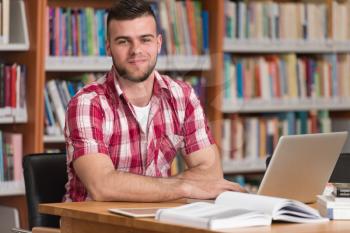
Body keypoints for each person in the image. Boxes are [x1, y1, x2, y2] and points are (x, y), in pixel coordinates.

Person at [64, 0, 244, 202]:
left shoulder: (182, 96)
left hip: (156, 220)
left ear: (159, 43)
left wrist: (147, 187)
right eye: (123, 41)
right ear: (108, 48)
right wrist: (183, 186)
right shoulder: (88, 103)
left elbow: (211, 175)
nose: (136, 50)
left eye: (145, 40)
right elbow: (102, 186)